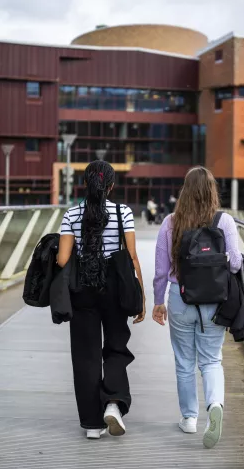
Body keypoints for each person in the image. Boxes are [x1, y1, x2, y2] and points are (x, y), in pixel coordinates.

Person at [152, 167, 242, 449]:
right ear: (212, 190)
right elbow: (236, 264)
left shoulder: (170, 222)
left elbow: (161, 270)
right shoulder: (224, 221)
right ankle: (214, 404)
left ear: (185, 191)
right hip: (214, 301)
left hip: (181, 298)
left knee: (184, 362)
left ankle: (189, 418)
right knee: (211, 360)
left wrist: (157, 302)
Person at [58, 160, 145, 440]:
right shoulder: (123, 212)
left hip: (82, 288)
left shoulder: (71, 214)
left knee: (86, 355)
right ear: (111, 185)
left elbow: (62, 260)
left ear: (85, 183)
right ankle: (113, 402)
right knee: (117, 347)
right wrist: (140, 296)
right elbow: (132, 257)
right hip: (116, 288)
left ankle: (92, 424)